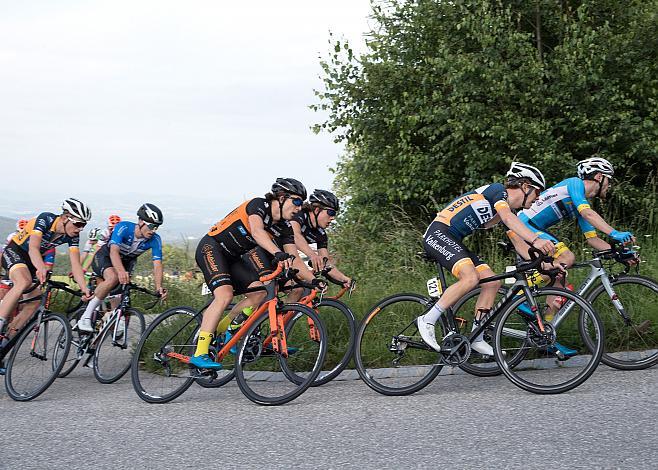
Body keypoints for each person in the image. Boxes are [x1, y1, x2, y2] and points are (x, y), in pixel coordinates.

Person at [416, 163, 555, 356]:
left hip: (453, 239)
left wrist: (545, 262)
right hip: (439, 233)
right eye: (537, 192)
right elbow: (507, 219)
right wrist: (537, 240)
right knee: (470, 278)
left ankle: (477, 336)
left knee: (493, 282)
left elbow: (519, 244)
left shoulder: (507, 211)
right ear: (525, 186)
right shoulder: (498, 192)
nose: (538, 197)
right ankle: (427, 319)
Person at [507, 157, 636, 355]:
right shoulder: (574, 184)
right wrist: (615, 233)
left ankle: (545, 334)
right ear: (599, 177)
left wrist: (619, 254)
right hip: (524, 227)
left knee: (559, 278)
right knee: (567, 257)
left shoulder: (579, 204)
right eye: (609, 181)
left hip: (532, 230)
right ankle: (518, 294)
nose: (609, 186)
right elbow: (589, 215)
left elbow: (592, 240)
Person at [192, 177, 319, 370]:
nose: (300, 208)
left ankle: (228, 329)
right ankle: (200, 352)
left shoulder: (284, 227)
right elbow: (258, 232)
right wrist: (277, 253)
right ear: (282, 197)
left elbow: (295, 259)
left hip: (234, 257)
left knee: (259, 294)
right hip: (212, 247)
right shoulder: (258, 205)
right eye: (297, 201)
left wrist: (314, 281)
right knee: (224, 295)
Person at [0, 199, 93, 344]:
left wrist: (84, 288)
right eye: (78, 224)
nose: (80, 229)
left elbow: (76, 265)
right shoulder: (46, 219)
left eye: (84, 225)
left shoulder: (72, 236)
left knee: (35, 301)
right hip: (16, 251)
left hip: (32, 261)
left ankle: (6, 341)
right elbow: (33, 248)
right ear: (64, 218)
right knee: (24, 281)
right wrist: (41, 268)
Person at [76, 205, 166, 332]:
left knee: (124, 290)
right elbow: (114, 251)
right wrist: (120, 271)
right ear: (140, 222)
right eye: (151, 226)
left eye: (156, 227)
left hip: (126, 262)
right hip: (105, 256)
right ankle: (85, 317)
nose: (153, 230)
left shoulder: (155, 239)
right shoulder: (124, 227)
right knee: (113, 277)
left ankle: (113, 316)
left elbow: (157, 264)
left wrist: (158, 287)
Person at [286, 189, 352, 302]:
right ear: (317, 210)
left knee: (300, 290)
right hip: (271, 254)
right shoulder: (300, 215)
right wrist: (312, 255)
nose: (333, 218)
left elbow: (326, 263)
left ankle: (282, 318)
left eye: (335, 214)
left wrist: (343, 278)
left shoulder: (320, 233)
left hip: (288, 260)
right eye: (331, 213)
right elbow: (295, 235)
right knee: (262, 294)